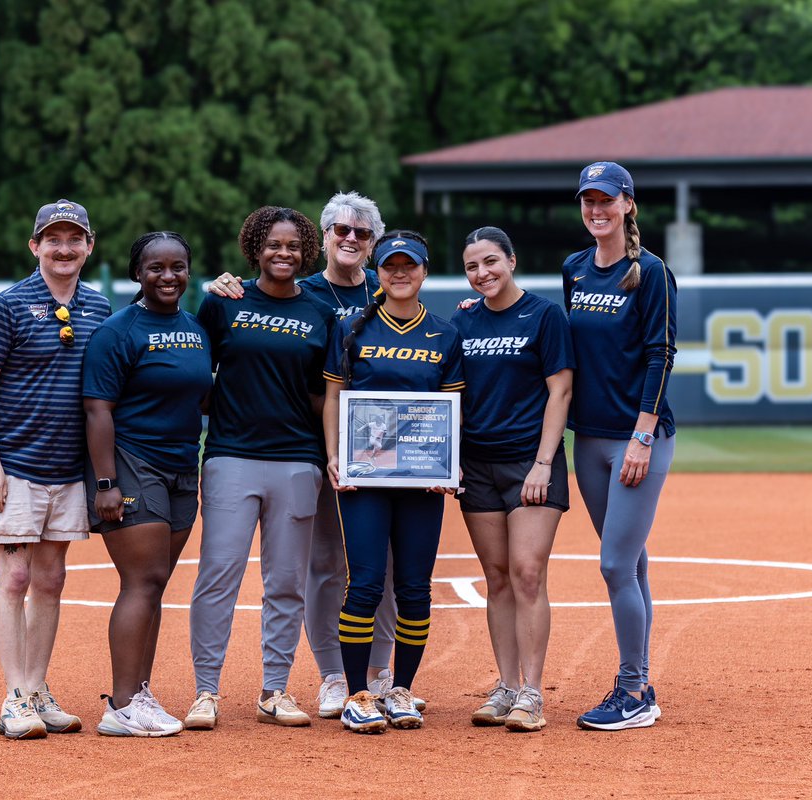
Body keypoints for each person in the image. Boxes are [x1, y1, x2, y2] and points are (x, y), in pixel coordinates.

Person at [206, 191, 409, 718]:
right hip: (314, 451)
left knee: (378, 564)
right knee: (323, 563)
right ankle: (334, 675)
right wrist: (221, 286)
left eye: (362, 234)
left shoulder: (390, 289)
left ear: (374, 245)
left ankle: (381, 673)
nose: (351, 239)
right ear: (324, 240)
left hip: (381, 450)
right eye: (341, 230)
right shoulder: (304, 295)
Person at [183, 206, 337, 730]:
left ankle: (275, 690)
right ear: (255, 246)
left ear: (306, 251)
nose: (284, 253)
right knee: (218, 574)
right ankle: (206, 691)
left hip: (297, 460)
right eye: (273, 243)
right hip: (231, 455)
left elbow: (325, 395)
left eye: (294, 245)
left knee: (287, 581)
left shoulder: (321, 312)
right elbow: (193, 376)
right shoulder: (223, 302)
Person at [0, 198, 111, 739]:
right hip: (17, 465)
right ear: (36, 246)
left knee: (50, 578)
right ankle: (14, 697)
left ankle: (36, 688)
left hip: (68, 468)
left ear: (89, 246)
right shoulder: (5, 305)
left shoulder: (99, 308)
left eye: (75, 238)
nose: (65, 247)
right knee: (16, 576)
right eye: (54, 239)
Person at [323, 230, 465, 733]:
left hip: (423, 481)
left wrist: (449, 463)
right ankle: (359, 693)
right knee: (362, 584)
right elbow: (335, 398)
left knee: (413, 587)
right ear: (377, 271)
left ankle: (401, 688)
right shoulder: (353, 327)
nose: (400, 273)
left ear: (424, 272)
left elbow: (454, 410)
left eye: (409, 265)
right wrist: (334, 457)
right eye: (390, 266)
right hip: (366, 478)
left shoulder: (444, 333)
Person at [83, 231, 211, 737]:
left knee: (155, 584)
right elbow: (97, 409)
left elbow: (201, 397)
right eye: (156, 267)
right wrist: (106, 482)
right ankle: (121, 703)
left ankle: (139, 693)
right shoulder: (120, 331)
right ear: (138, 273)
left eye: (177, 266)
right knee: (141, 581)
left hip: (183, 465)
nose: (168, 276)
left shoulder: (195, 328)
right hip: (134, 464)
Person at [564, 162, 677, 731]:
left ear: (628, 204)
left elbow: (661, 355)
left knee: (613, 564)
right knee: (631, 564)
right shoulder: (575, 270)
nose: (596, 209)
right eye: (588, 199)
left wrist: (641, 435)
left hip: (637, 439)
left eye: (606, 199)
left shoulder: (651, 272)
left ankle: (632, 689)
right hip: (588, 440)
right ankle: (644, 683)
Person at [450, 226, 575, 733]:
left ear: (512, 261)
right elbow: (452, 397)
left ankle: (532, 693)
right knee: (497, 577)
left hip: (530, 461)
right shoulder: (462, 323)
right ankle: (504, 686)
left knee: (527, 573)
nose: (483, 273)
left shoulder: (545, 316)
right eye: (473, 266)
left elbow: (560, 392)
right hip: (476, 464)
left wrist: (543, 464)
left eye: (491, 262)